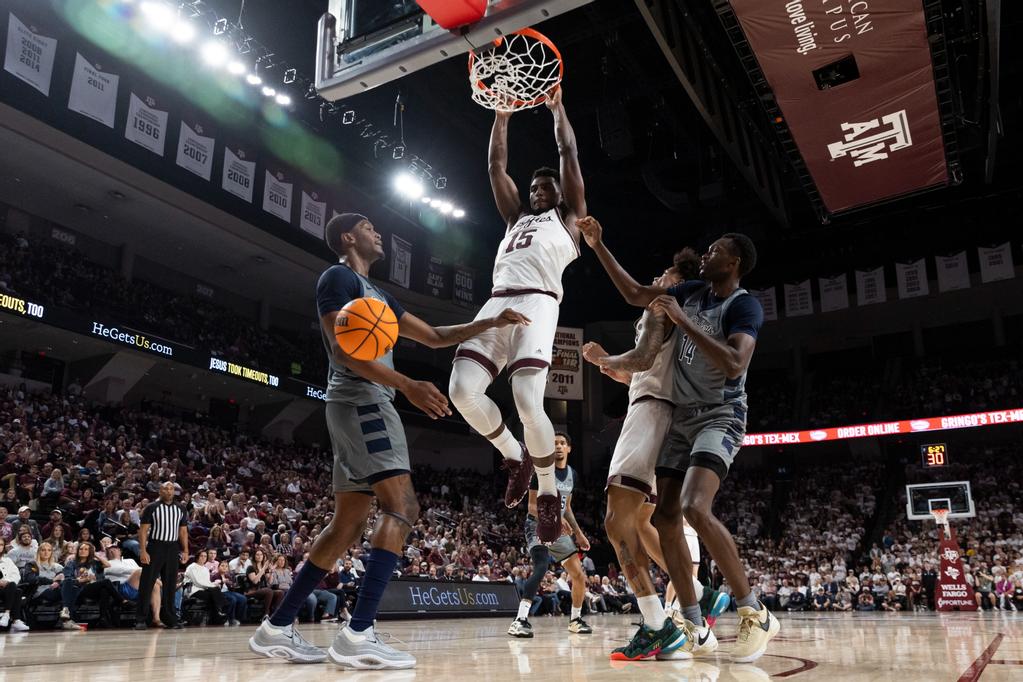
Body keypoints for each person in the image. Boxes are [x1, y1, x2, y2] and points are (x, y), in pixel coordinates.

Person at [248, 211, 528, 670]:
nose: (378, 233)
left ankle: (276, 627)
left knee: (347, 524)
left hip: (357, 402)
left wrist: (489, 324)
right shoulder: (337, 278)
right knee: (403, 507)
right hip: (364, 398)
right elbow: (343, 350)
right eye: (370, 228)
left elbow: (436, 337)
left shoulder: (380, 295)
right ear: (348, 237)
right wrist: (407, 384)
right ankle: (358, 633)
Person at [577, 216, 777, 663]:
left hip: (720, 413)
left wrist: (681, 320)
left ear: (736, 261)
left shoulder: (744, 307)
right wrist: (598, 245)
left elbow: (732, 364)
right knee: (662, 519)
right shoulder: (688, 292)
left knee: (689, 507)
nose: (706, 254)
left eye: (715, 250)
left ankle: (753, 610)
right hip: (682, 416)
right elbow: (633, 293)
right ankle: (691, 614)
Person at [447, 86, 586, 544]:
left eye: (544, 187)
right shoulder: (514, 219)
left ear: (559, 193)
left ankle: (547, 495)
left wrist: (557, 107)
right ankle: (514, 455)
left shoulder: (569, 219)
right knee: (461, 390)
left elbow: (567, 150)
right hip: (498, 301)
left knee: (528, 400)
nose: (536, 191)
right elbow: (495, 167)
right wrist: (502, 115)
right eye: (532, 188)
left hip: (539, 302)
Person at [581, 251, 729, 660]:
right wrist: (618, 373)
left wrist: (602, 358)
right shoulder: (690, 322)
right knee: (645, 520)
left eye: (664, 272)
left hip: (649, 414)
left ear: (678, 282)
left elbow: (643, 359)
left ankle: (655, 625)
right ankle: (700, 592)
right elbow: (651, 367)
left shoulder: (661, 308)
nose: (657, 275)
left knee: (616, 521)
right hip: (674, 418)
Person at [508, 433, 593, 638]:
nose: (558, 446)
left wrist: (579, 534)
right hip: (537, 524)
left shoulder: (572, 474)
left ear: (569, 449)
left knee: (579, 575)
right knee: (542, 565)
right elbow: (531, 506)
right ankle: (520, 620)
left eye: (563, 443)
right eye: (554, 443)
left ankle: (575, 620)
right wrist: (554, 517)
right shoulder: (542, 471)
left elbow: (568, 508)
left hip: (559, 529)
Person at [135, 481, 188, 630]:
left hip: (172, 548)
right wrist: (143, 550)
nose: (169, 491)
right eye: (166, 488)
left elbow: (183, 531)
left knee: (171, 585)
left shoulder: (181, 509)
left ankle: (170, 618)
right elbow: (143, 530)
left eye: (171, 489)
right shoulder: (151, 508)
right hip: (155, 547)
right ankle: (141, 619)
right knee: (147, 584)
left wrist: (185, 550)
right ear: (160, 491)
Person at [0, 535, 30, 631]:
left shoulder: (8, 561)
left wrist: (6, 582)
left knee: (15, 588)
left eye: (1, 544)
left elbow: (16, 575)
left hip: (7, 589)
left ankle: (7, 615)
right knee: (16, 591)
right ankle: (15, 619)